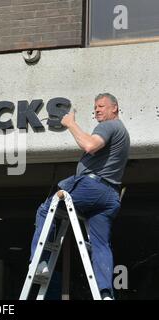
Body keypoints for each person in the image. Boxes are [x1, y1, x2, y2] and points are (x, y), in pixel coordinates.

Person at [30, 93, 130, 300]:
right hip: (110, 195)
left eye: (102, 106)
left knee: (45, 209)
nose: (97, 110)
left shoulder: (108, 126)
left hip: (92, 187)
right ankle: (105, 293)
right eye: (95, 107)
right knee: (101, 244)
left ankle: (39, 264)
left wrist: (70, 123)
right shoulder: (123, 132)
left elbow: (90, 146)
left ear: (115, 108)